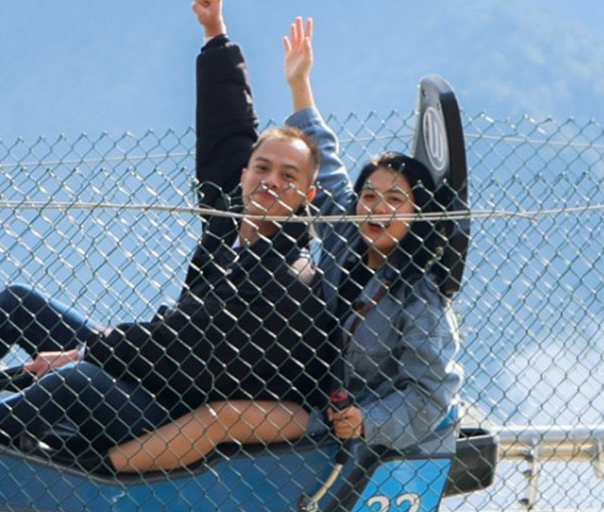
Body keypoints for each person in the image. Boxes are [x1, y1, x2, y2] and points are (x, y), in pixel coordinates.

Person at [0, 0, 342, 467]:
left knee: (75, 380)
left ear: (308, 197)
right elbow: (226, 138)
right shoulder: (229, 229)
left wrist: (84, 352)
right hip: (146, 372)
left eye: (288, 176)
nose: (270, 182)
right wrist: (216, 39)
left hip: (166, 411)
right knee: (19, 306)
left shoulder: (284, 277)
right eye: (262, 168)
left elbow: (184, 346)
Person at [111, 65, 467, 471]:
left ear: (417, 214)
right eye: (369, 195)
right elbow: (326, 170)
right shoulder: (343, 240)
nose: (377, 208)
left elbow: (432, 392)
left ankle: (98, 482)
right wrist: (300, 84)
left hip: (345, 416)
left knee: (221, 418)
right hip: (306, 390)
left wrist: (368, 419)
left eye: (395, 200)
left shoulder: (419, 296)